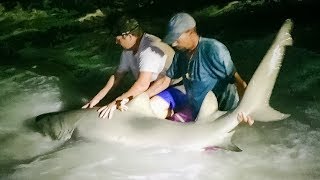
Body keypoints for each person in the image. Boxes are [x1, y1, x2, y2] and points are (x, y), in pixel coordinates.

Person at [145, 12, 253, 125]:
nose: (173, 44)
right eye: (172, 40)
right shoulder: (180, 54)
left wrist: (246, 110)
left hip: (222, 113)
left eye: (176, 39)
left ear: (190, 32)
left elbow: (239, 83)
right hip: (198, 113)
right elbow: (164, 81)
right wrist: (140, 99)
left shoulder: (213, 49)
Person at [82, 16, 175, 119]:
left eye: (118, 39)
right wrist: (97, 98)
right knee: (118, 104)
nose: (116, 42)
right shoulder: (128, 50)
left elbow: (142, 85)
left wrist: (117, 101)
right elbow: (117, 77)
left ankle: (172, 113)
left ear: (129, 36)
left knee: (143, 110)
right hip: (153, 85)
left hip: (175, 86)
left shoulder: (148, 49)